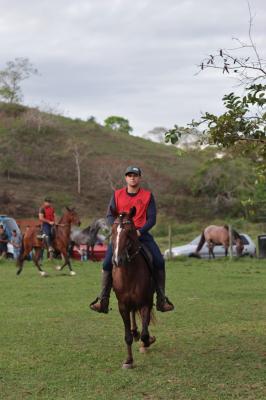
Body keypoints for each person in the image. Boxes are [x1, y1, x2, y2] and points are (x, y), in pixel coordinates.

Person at [90, 166, 174, 313]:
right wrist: (116, 228)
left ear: (139, 178)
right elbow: (109, 216)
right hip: (121, 235)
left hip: (141, 235)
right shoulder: (117, 195)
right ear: (126, 178)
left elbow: (152, 218)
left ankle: (161, 300)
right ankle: (103, 300)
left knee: (159, 261)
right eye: (129, 175)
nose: (132, 178)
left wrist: (141, 232)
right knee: (106, 264)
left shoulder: (148, 196)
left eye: (135, 175)